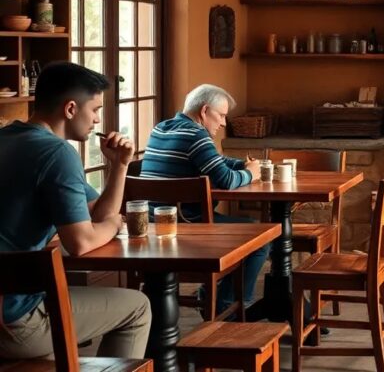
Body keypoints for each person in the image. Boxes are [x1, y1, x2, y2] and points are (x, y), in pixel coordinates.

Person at [0, 62, 151, 360]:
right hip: (13, 321)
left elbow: (96, 214)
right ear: (70, 109)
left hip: (7, 304)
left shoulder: (8, 137)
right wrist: (115, 224)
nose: (97, 119)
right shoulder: (57, 153)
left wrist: (120, 165)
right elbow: (81, 242)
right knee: (138, 307)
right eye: (95, 109)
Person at [140, 84, 268, 316]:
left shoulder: (161, 128)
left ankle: (214, 296)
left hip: (151, 225)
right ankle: (225, 306)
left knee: (251, 231)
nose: (224, 123)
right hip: (186, 226)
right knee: (260, 239)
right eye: (221, 115)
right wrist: (251, 174)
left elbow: (215, 161)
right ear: (205, 110)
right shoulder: (196, 135)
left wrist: (241, 164)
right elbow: (226, 180)